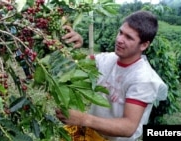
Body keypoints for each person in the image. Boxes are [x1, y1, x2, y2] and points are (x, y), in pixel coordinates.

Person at [56, 10, 168, 141]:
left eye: (129, 37)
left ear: (144, 45)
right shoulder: (108, 59)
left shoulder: (144, 79)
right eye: (121, 32)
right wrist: (74, 45)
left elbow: (128, 127)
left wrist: (83, 119)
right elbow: (77, 64)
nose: (120, 39)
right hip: (92, 133)